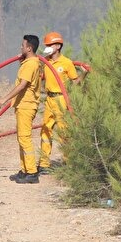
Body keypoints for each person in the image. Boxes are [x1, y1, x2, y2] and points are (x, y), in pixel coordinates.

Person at [38, 32, 87, 174]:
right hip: (49, 99)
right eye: (46, 45)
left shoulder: (66, 63)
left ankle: (68, 162)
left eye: (50, 45)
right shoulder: (46, 62)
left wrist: (84, 73)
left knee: (64, 132)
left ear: (58, 46)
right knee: (45, 131)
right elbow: (41, 77)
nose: (47, 47)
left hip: (61, 100)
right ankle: (44, 164)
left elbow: (76, 82)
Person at [0, 35, 42, 184]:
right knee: (21, 138)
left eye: (22, 46)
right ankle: (25, 170)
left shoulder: (31, 64)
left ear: (29, 48)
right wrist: (21, 59)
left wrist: (4, 99)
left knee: (25, 138)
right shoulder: (29, 62)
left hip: (27, 106)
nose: (20, 48)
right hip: (23, 105)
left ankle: (32, 173)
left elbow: (22, 85)